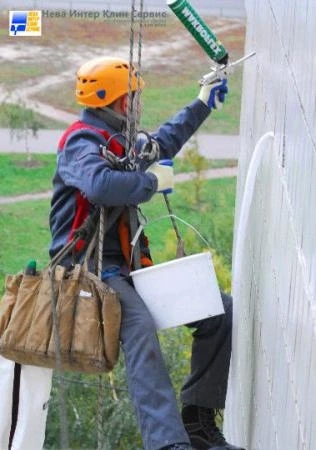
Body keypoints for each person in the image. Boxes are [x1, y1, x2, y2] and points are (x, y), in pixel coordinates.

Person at [49, 57, 244, 450]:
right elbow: (100, 186)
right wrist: (151, 181)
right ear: (122, 102)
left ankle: (198, 423)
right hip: (88, 269)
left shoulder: (122, 138)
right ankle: (168, 444)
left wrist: (201, 102)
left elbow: (162, 142)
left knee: (217, 311)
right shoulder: (81, 142)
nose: (138, 104)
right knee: (138, 327)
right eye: (134, 97)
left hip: (125, 267)